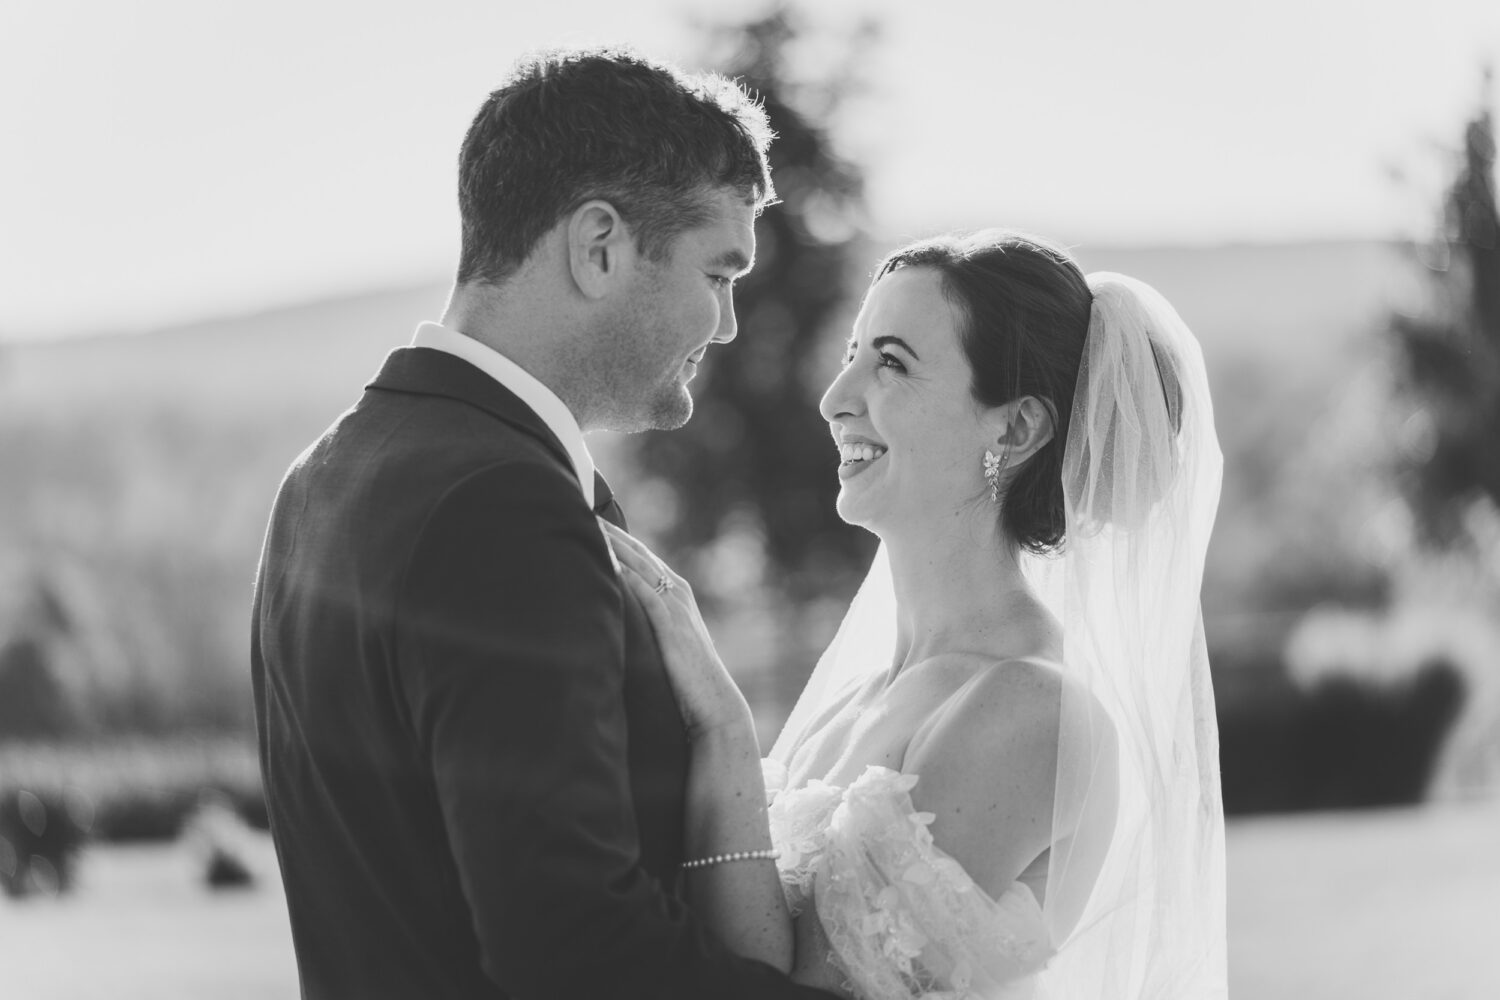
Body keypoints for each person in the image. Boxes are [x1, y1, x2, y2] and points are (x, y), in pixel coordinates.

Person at [251, 48, 841, 1000]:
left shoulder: (326, 474)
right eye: (718, 273)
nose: (727, 325)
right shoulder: (499, 505)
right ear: (599, 245)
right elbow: (575, 949)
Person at [606, 230, 1228, 998]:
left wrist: (724, 730)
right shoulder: (859, 691)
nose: (836, 400)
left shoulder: (1033, 710)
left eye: (892, 364)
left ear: (1015, 427)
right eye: (852, 354)